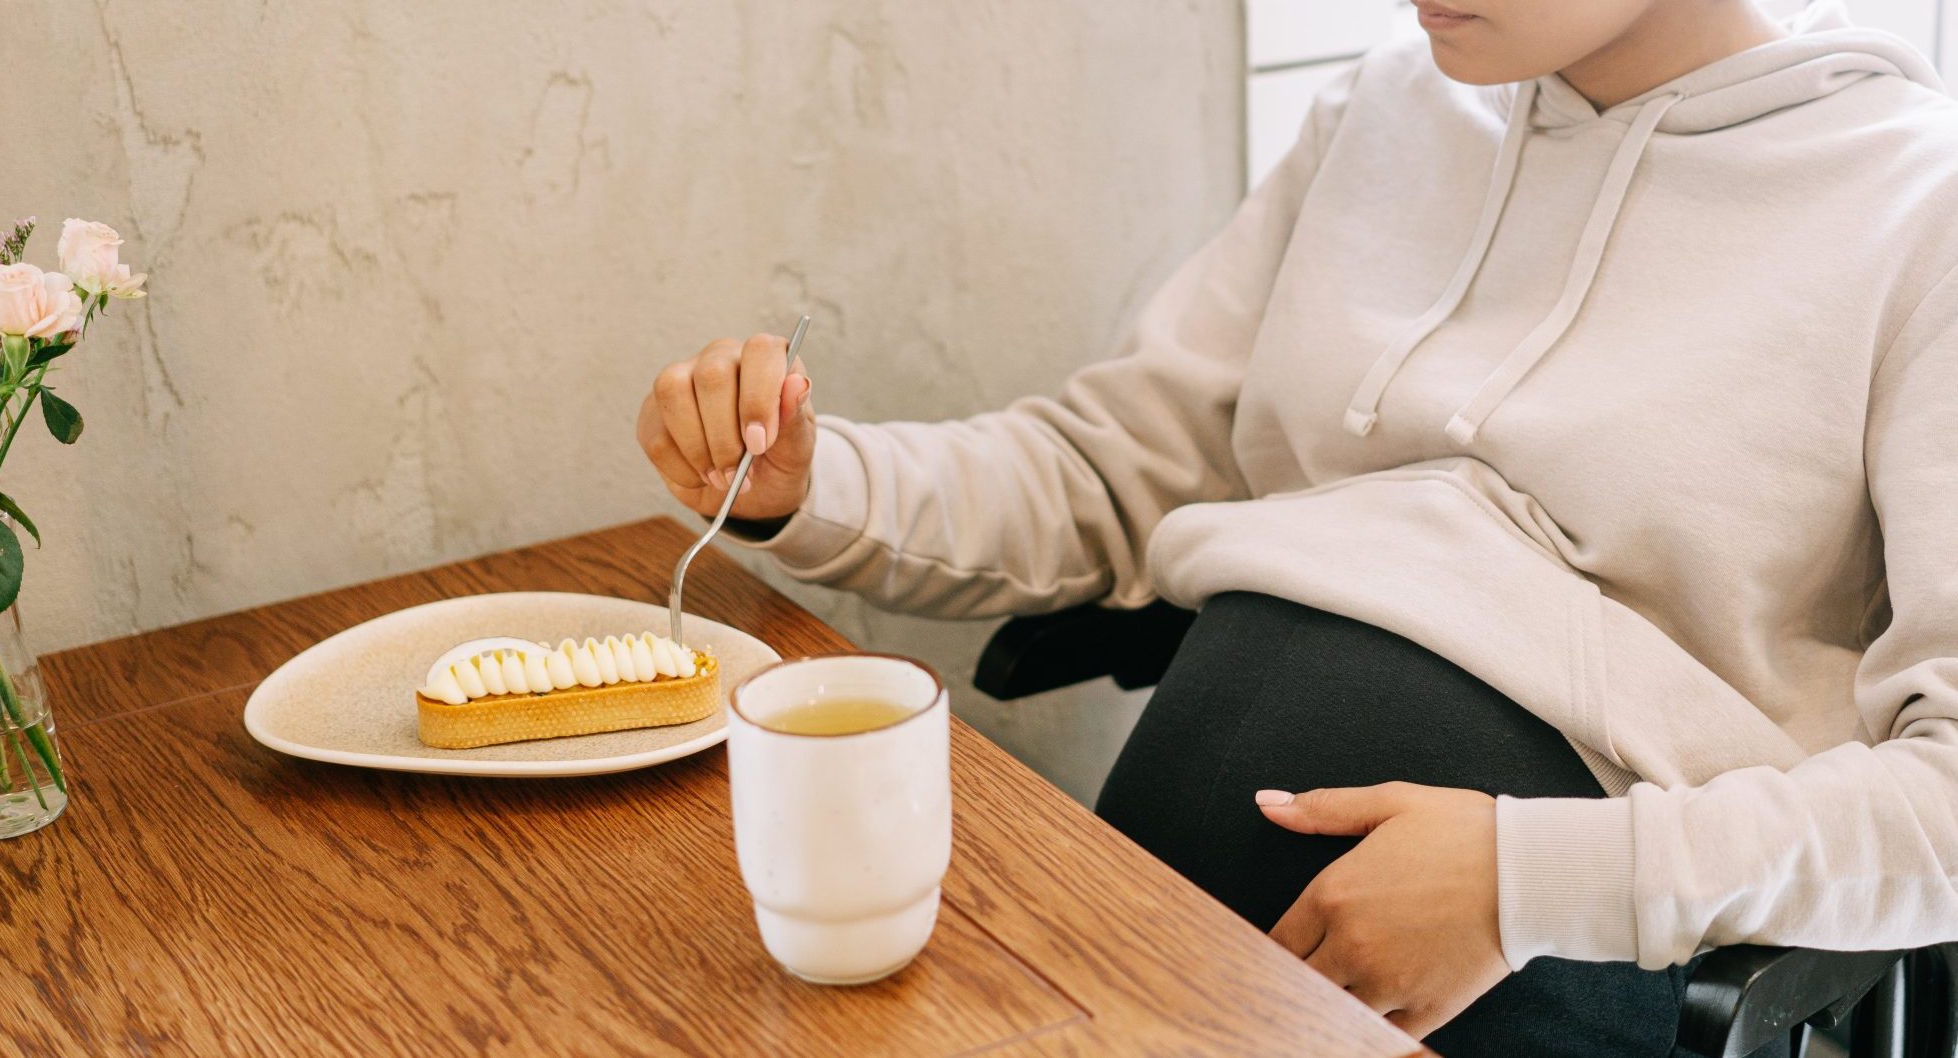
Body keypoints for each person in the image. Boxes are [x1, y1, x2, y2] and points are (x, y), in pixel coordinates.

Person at [636, 1, 1958, 1053]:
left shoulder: (1912, 210)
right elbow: (1113, 468)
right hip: (1143, 936)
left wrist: (1528, 882)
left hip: (1541, 971)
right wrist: (812, 480)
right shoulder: (1387, 110)